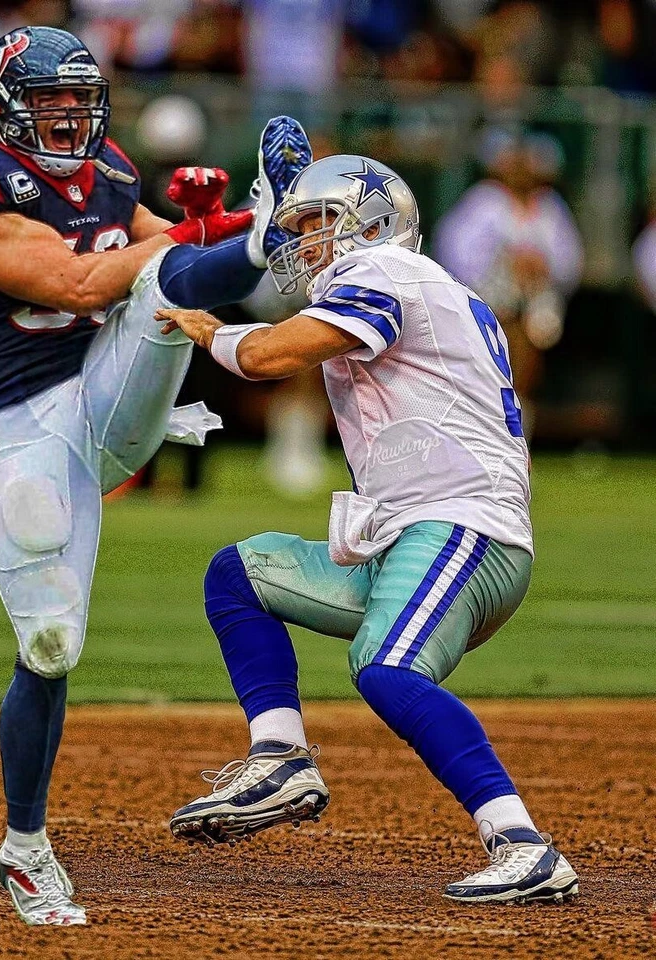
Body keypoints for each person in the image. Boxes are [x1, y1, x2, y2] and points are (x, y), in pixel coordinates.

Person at [0, 23, 313, 925]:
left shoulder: (115, 176)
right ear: (4, 105)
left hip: (108, 402)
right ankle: (25, 847)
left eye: (77, 99)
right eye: (47, 98)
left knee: (176, 283)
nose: (66, 114)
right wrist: (214, 236)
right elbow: (75, 284)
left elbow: (177, 262)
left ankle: (272, 215)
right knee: (50, 646)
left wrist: (251, 233)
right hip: (17, 427)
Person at [159, 154, 579, 905]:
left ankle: (522, 842)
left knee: (386, 668)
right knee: (239, 575)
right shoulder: (413, 283)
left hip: (461, 527)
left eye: (317, 223)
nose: (303, 242)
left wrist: (211, 332)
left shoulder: (388, 272)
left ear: (373, 225)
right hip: (414, 534)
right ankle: (281, 757)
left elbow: (269, 355)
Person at [433, 129, 584, 442]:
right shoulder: (484, 201)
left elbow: (570, 260)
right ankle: (482, 439)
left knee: (526, 368)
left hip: (534, 302)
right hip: (489, 299)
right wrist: (501, 267)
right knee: (488, 372)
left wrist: (542, 265)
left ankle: (519, 440)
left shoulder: (550, 208)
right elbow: (454, 250)